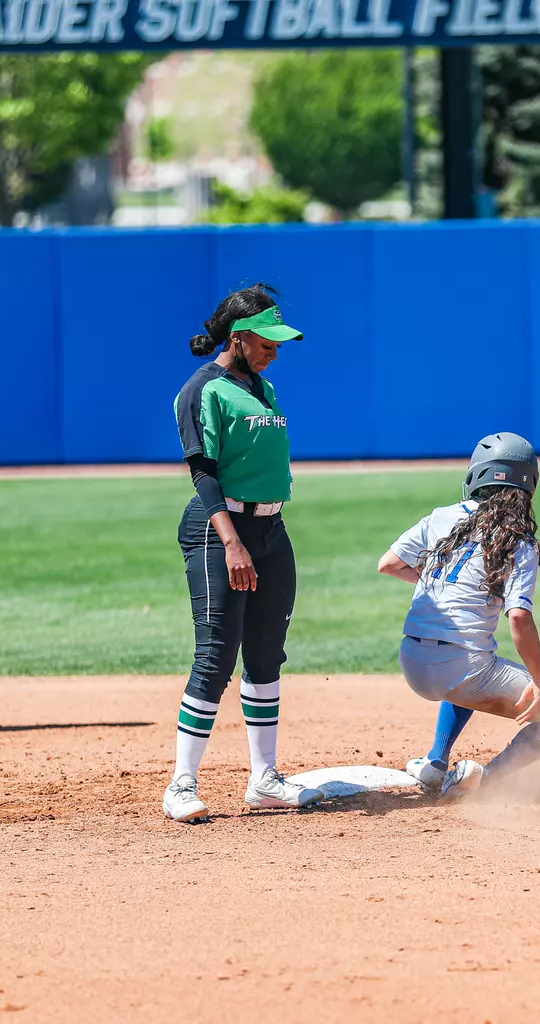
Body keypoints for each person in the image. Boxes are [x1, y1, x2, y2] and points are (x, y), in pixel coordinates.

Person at [161, 285, 324, 824]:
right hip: (218, 531)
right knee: (215, 656)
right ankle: (181, 784)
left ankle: (264, 779)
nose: (275, 349)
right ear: (238, 337)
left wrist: (258, 536)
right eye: (267, 340)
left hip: (272, 530)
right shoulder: (201, 389)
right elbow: (202, 471)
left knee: (265, 653)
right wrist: (231, 541)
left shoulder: (262, 386)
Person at [377, 433, 540, 797]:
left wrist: (436, 586)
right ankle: (484, 782)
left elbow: (389, 564)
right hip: (464, 671)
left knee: (469, 660)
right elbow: (519, 617)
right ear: (529, 486)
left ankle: (435, 763)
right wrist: (538, 682)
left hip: (412, 662)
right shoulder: (517, 541)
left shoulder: (441, 518)